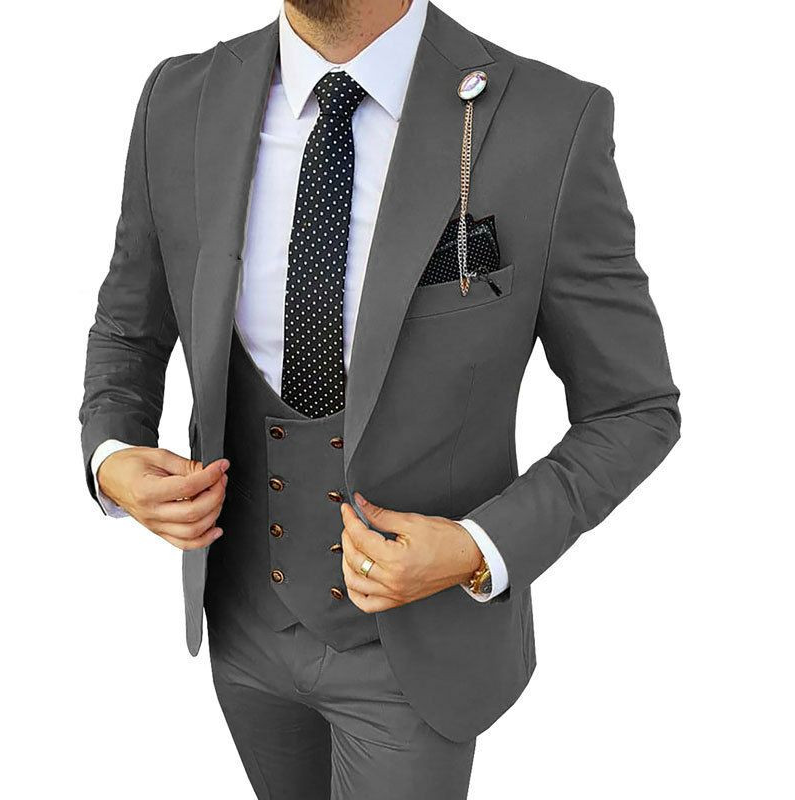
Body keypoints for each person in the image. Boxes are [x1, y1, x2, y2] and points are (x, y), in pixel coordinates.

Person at [79, 1, 681, 796]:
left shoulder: (549, 121)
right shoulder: (179, 98)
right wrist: (112, 454)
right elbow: (128, 328)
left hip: (417, 652)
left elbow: (633, 407)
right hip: (242, 627)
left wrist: (477, 547)